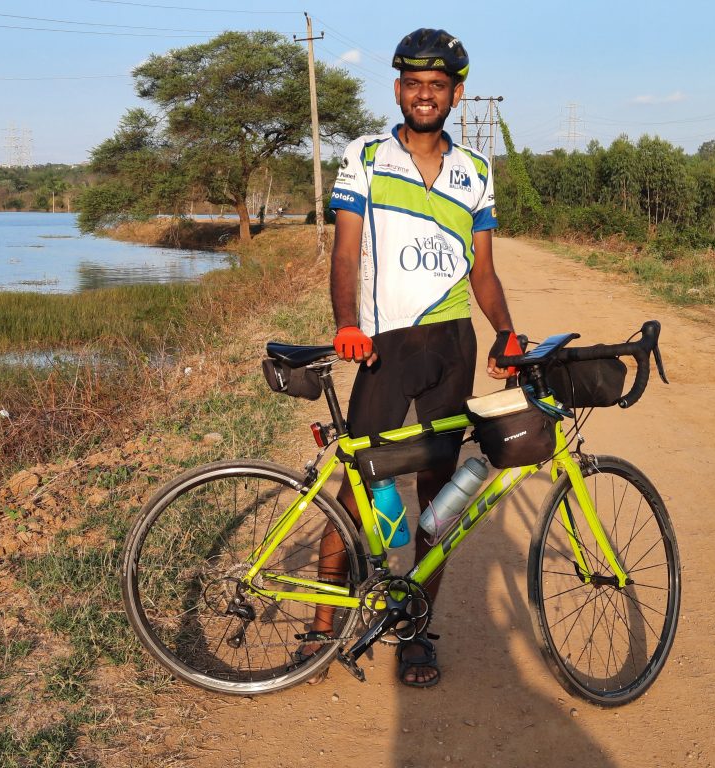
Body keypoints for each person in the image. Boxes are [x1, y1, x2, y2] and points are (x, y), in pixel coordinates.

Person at [303, 28, 519, 687]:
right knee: (359, 485)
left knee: (437, 496)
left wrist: (507, 331)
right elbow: (345, 252)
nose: (425, 95)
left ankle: (417, 628)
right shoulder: (364, 157)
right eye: (414, 84)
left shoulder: (475, 172)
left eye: (439, 86)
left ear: (456, 94)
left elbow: (482, 270)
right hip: (383, 345)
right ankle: (321, 622)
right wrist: (347, 322)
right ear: (399, 90)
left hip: (452, 344)